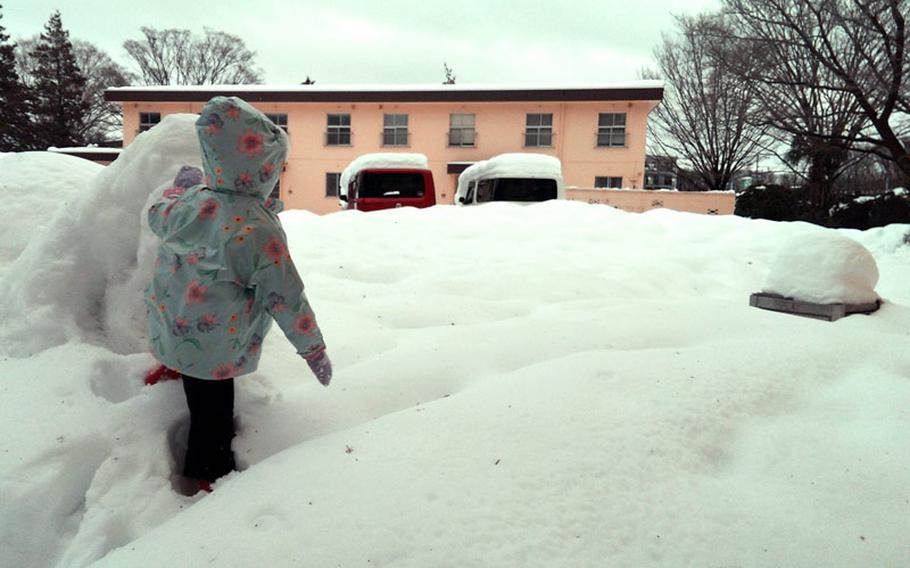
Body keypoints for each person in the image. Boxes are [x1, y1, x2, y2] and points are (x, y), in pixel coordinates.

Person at [144, 96, 332, 493]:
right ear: (259, 170)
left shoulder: (193, 202)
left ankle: (173, 366)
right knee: (212, 415)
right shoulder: (258, 231)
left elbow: (156, 215)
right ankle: (208, 472)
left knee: (192, 370)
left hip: (171, 322)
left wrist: (179, 191)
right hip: (216, 347)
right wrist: (312, 348)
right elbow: (286, 296)